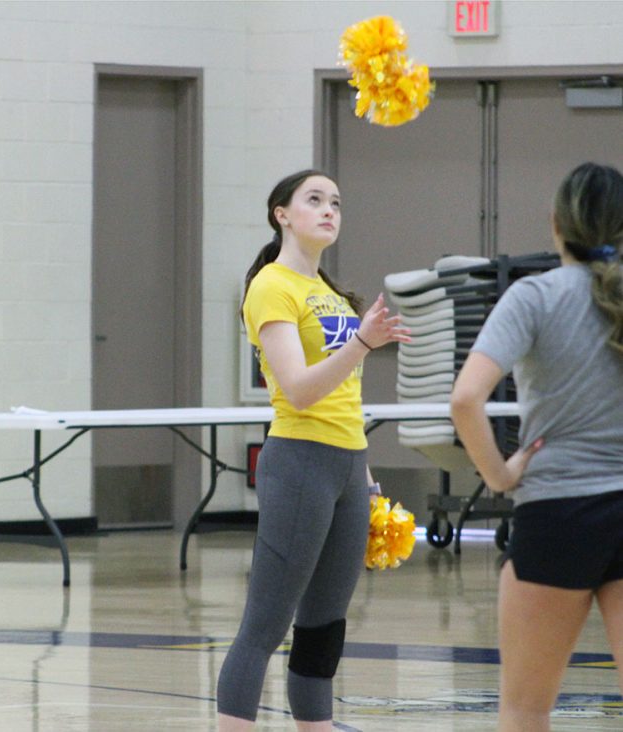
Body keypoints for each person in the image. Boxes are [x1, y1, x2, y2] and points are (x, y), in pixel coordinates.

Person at [217, 169, 410, 731]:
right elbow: (300, 390)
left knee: (325, 625)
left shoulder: (328, 292)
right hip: (299, 462)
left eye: (336, 203)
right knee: (265, 625)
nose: (329, 210)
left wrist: (367, 476)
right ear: (282, 213)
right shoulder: (271, 286)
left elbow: (344, 393)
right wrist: (362, 343)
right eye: (315, 200)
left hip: (348, 467)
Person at [451, 162, 623, 731]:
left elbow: (465, 399)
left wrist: (499, 476)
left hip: (558, 514)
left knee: (526, 709)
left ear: (555, 224)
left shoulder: (534, 296)